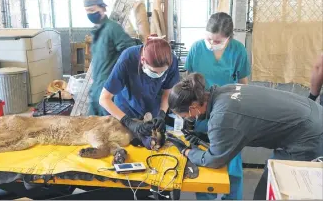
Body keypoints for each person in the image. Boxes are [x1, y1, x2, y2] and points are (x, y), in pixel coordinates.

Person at [166, 73, 323, 200]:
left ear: (193, 108)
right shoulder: (225, 91)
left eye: (184, 115)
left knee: (272, 192)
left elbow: (215, 160)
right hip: (312, 114)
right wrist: (205, 137)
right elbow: (239, 127)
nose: (185, 119)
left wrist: (186, 151)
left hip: (309, 136)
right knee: (267, 189)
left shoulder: (222, 117)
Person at [184, 12, 251, 200]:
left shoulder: (238, 50)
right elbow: (188, 82)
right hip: (202, 113)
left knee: (233, 165)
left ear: (229, 37)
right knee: (205, 164)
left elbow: (244, 83)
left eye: (217, 41)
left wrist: (245, 112)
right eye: (208, 39)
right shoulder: (197, 48)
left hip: (230, 113)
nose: (211, 44)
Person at [99, 36, 180, 149]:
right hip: (125, 112)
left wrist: (162, 114)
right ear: (142, 60)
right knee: (125, 144)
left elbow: (168, 92)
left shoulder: (172, 61)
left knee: (155, 144)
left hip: (153, 112)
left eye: (162, 72)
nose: (158, 75)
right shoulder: (127, 59)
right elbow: (104, 99)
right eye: (153, 71)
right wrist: (129, 122)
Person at [84, 0, 136, 116]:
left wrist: (120, 79)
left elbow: (130, 52)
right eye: (87, 11)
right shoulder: (97, 32)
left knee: (110, 129)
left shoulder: (113, 29)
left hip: (109, 90)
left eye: (92, 10)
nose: (90, 13)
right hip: (96, 89)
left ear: (102, 8)